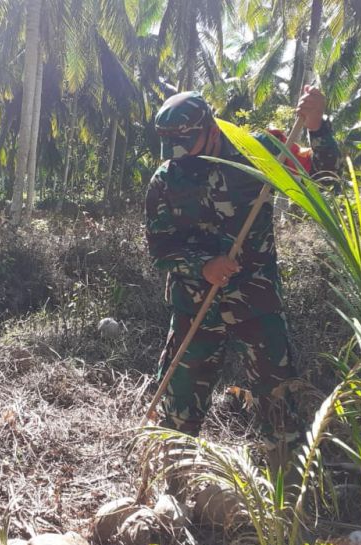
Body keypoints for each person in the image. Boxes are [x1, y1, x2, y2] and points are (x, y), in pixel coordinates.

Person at [145, 88, 340, 465]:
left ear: (211, 127)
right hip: (195, 305)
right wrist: (204, 265)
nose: (181, 154)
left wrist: (317, 126)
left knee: (278, 400)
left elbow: (325, 179)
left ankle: (287, 487)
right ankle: (175, 481)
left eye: (187, 142)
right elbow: (161, 249)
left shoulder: (258, 151)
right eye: (173, 146)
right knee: (178, 409)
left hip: (255, 301)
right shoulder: (166, 179)